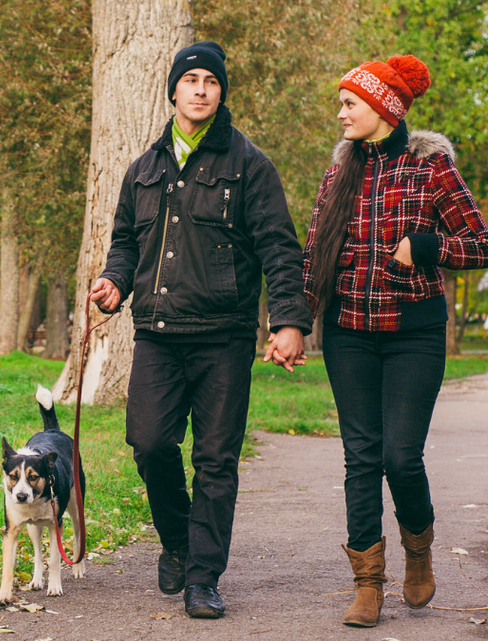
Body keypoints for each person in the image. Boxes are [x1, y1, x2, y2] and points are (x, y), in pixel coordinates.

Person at [89, 41, 313, 619]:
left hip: (224, 336)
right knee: (150, 442)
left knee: (216, 460)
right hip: (158, 333)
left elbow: (280, 250)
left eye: (211, 81)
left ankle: (203, 578)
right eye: (190, 79)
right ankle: (179, 541)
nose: (200, 89)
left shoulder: (249, 165)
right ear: (173, 91)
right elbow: (125, 241)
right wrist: (115, 283)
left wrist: (288, 321)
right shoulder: (144, 168)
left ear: (220, 94)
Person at [301, 55, 488, 627]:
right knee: (360, 458)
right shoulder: (340, 173)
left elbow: (481, 246)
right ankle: (366, 583)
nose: (340, 113)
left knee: (399, 457)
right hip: (347, 334)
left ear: (384, 107)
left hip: (414, 334)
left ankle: (417, 550)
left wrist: (428, 246)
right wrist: (290, 324)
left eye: (349, 103)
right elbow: (314, 252)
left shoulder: (430, 167)